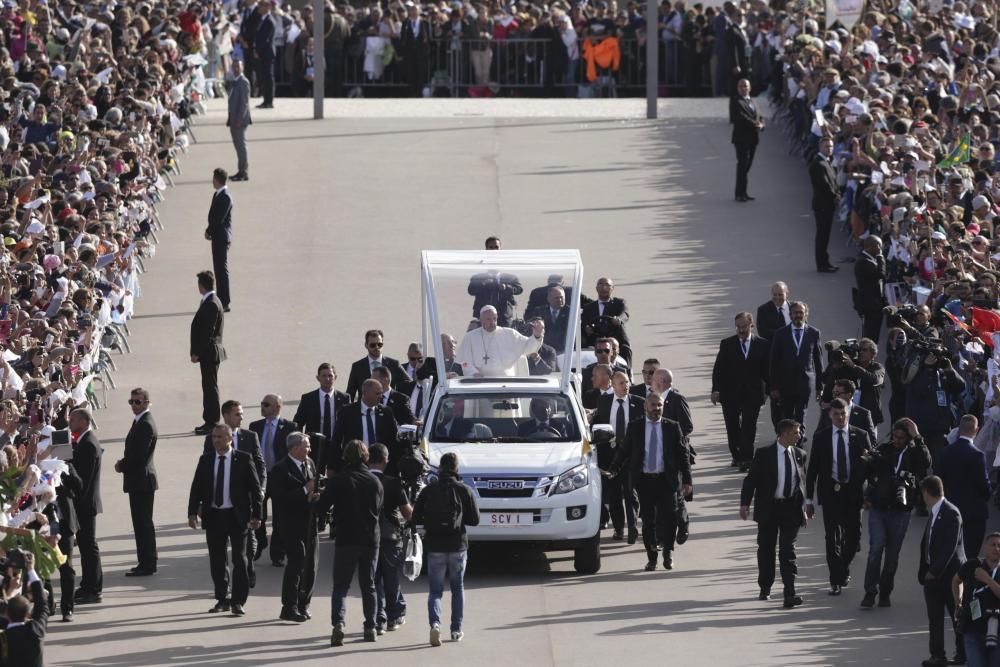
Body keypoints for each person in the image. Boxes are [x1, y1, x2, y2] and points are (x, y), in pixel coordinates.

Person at [187, 424, 263, 617]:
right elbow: (196, 486)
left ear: (230, 438)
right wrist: (192, 512)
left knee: (240, 559)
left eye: (220, 437)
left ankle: (238, 601)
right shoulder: (206, 460)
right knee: (217, 559)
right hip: (214, 515)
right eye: (214, 437)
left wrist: (257, 515)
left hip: (237, 516)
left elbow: (255, 490)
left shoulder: (244, 459)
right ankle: (222, 599)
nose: (216, 440)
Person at [611, 393, 692, 571]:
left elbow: (682, 455)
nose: (657, 409)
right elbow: (625, 450)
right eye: (653, 405)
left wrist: (687, 480)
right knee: (648, 521)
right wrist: (614, 468)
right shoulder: (635, 427)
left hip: (666, 480)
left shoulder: (672, 427)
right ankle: (652, 556)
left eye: (659, 406)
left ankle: (668, 552)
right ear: (645, 407)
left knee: (670, 518)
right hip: (645, 481)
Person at [318, 440, 384, 646]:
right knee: (369, 585)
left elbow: (322, 506)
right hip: (369, 538)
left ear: (345, 457)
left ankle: (339, 623)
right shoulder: (375, 482)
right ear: (366, 457)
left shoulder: (339, 480)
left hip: (346, 537)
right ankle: (370, 627)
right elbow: (378, 509)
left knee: (340, 586)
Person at [412, 451, 480, 646]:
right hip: (458, 545)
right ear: (457, 468)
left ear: (440, 468)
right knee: (457, 588)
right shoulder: (464, 490)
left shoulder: (428, 490)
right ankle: (456, 630)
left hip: (434, 546)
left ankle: (435, 624)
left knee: (435, 590)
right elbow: (474, 520)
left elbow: (415, 518)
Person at [739, 419, 809, 608]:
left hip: (791, 509)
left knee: (788, 551)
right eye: (796, 432)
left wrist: (804, 507)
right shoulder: (764, 454)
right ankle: (765, 586)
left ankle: (789, 593)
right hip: (769, 509)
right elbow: (751, 480)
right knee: (766, 549)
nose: (799, 435)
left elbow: (802, 484)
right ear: (784, 434)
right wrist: (745, 503)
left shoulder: (800, 455)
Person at [862, 418, 931, 608]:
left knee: (892, 556)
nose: (897, 440)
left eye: (902, 437)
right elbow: (867, 471)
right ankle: (869, 592)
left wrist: (918, 437)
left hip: (901, 511)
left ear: (908, 438)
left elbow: (926, 462)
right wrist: (867, 495)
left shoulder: (913, 454)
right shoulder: (883, 450)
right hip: (879, 508)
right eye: (895, 436)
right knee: (876, 549)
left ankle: (885, 592)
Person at [806, 399, 872, 596]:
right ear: (830, 415)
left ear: (848, 413)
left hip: (854, 494)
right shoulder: (822, 437)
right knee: (832, 537)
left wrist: (870, 494)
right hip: (831, 493)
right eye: (836, 414)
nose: (840, 417)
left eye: (843, 413)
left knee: (854, 537)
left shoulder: (861, 436)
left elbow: (870, 467)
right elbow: (812, 471)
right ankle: (835, 579)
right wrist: (808, 501)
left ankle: (842, 568)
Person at [203, 400, 266, 588]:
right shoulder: (212, 438)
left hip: (244, 499)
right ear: (226, 416)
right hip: (222, 501)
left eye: (241, 413)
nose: (242, 417)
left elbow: (260, 463)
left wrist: (261, 488)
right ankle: (225, 586)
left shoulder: (250, 436)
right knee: (223, 549)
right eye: (237, 414)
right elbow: (206, 468)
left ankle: (248, 571)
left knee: (247, 542)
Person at [270, 432, 320, 623]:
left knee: (311, 566)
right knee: (296, 565)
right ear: (295, 447)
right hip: (291, 525)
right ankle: (289, 606)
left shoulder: (310, 463)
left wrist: (316, 493)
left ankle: (303, 604)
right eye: (306, 445)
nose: (309, 449)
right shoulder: (280, 469)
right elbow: (280, 499)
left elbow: (314, 487)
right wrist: (305, 490)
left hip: (310, 523)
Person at [712, 311, 769, 471]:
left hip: (753, 393)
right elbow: (718, 369)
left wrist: (772, 389)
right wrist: (716, 390)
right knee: (732, 427)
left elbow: (767, 370)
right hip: (730, 393)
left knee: (749, 426)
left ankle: (746, 458)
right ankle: (736, 455)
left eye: (744, 326)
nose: (741, 330)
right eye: (738, 327)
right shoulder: (727, 344)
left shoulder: (762, 344)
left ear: (751, 325)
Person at [920, 475, 967, 667]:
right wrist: (925, 570)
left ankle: (962, 653)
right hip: (933, 576)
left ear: (926, 493)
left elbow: (949, 548)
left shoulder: (951, 513)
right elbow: (928, 543)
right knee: (935, 618)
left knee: (957, 615)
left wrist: (933, 571)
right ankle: (937, 655)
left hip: (951, 577)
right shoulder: (934, 512)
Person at [593, 370, 643, 543]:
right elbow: (598, 424)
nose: (626, 386)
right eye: (621, 383)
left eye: (627, 382)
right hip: (610, 456)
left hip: (631, 455)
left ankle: (632, 527)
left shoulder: (638, 403)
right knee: (614, 494)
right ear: (612, 386)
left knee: (631, 492)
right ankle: (619, 528)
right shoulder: (604, 402)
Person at [368, 442, 413, 635]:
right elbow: (408, 513)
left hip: (367, 536)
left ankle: (378, 619)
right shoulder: (393, 483)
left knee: (374, 578)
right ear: (386, 460)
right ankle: (393, 617)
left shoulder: (361, 480)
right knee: (391, 577)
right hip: (390, 535)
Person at [115, 387, 158, 577]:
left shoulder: (146, 424)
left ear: (147, 403)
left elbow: (139, 456)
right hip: (139, 480)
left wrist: (121, 465)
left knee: (143, 524)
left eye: (138, 402)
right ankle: (146, 560)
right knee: (141, 523)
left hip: (142, 480)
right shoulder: (139, 421)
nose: (134, 405)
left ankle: (148, 563)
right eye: (131, 402)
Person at [249, 394, 297, 565]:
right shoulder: (255, 426)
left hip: (279, 478)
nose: (262, 407)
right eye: (262, 404)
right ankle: (260, 541)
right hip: (260, 477)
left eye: (266, 404)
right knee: (257, 511)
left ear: (277, 407)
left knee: (279, 518)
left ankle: (277, 553)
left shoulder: (290, 427)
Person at [937, 415, 991, 561]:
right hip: (974, 513)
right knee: (969, 554)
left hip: (951, 509)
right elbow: (983, 485)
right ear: (977, 430)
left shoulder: (946, 452)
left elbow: (940, 480)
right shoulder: (977, 455)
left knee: (950, 552)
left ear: (959, 429)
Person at [768, 301, 823, 434]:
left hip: (805, 382)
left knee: (801, 414)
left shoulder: (814, 333)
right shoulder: (780, 334)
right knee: (786, 416)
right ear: (790, 314)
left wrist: (819, 387)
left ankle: (798, 444)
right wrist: (774, 386)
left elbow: (818, 360)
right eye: (795, 313)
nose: (798, 315)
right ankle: (788, 442)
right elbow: (774, 361)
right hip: (785, 383)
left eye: (801, 312)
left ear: (806, 314)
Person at [328, 379, 400, 475]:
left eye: (381, 393)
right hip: (355, 466)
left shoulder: (386, 412)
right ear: (365, 393)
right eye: (377, 393)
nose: (381, 396)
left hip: (380, 466)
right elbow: (336, 440)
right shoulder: (347, 412)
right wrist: (332, 467)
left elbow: (394, 439)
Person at [70, 408, 103, 605]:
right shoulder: (84, 441)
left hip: (85, 503)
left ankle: (94, 588)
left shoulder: (89, 444)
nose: (70, 423)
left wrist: (67, 470)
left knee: (89, 547)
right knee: (85, 546)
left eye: (73, 420)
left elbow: (83, 480)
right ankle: (87, 585)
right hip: (83, 502)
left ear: (83, 422)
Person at [456, 305, 545, 377]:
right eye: (488, 319)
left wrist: (537, 336)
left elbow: (528, 348)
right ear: (481, 320)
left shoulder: (509, 334)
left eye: (494, 319)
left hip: (506, 383)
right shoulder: (470, 337)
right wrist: (473, 374)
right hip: (481, 384)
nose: (492, 322)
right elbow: (464, 362)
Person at [953, 533, 1000, 667]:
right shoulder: (973, 564)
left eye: (999, 546)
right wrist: (958, 603)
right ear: (985, 547)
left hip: (996, 628)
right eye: (993, 545)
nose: (996, 549)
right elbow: (956, 581)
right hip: (973, 626)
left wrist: (987, 579)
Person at [191, 271, 227, 435]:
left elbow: (207, 331)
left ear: (201, 285)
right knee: (208, 386)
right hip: (209, 352)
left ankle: (212, 421)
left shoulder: (211, 303)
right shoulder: (212, 301)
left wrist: (197, 352)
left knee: (210, 387)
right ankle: (209, 420)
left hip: (209, 352)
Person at [0, 552, 47, 667]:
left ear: (7, 614)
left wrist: (10, 590)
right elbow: (42, 604)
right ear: (28, 614)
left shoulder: (3, 636)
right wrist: (31, 569)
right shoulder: (36, 630)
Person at [756, 282, 791, 430]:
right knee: (776, 399)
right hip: (774, 362)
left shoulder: (796, 308)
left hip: (792, 362)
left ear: (787, 294)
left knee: (793, 399)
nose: (777, 298)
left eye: (780, 295)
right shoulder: (764, 310)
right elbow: (763, 332)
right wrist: (785, 333)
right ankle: (780, 431)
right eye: (775, 295)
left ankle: (796, 432)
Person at [466, 237, 522, 327]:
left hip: (504, 317)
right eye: (491, 247)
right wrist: (484, 282)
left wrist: (506, 287)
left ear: (500, 249)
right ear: (486, 249)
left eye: (496, 247)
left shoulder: (509, 277)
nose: (494, 250)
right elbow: (471, 290)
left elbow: (519, 289)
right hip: (484, 316)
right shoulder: (479, 277)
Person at [345, 329, 412, 400]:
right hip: (366, 409)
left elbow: (409, 385)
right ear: (366, 345)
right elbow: (350, 393)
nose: (376, 347)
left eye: (379, 344)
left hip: (389, 409)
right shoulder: (357, 367)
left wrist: (398, 400)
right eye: (373, 345)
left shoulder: (393, 364)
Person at [294, 362, 350, 444]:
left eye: (330, 376)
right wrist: (300, 442)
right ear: (318, 378)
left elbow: (349, 423)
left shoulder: (344, 398)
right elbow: (298, 423)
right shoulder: (308, 399)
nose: (327, 379)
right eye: (324, 376)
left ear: (335, 377)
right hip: (313, 445)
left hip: (337, 445)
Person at [810, 136, 840, 273]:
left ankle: (825, 261)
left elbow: (833, 182)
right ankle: (822, 264)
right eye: (826, 146)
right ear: (820, 147)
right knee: (822, 235)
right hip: (823, 205)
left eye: (831, 146)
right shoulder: (818, 163)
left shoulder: (826, 162)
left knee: (825, 234)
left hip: (827, 205)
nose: (829, 149)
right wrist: (835, 196)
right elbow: (824, 185)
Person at [205, 168, 233, 313]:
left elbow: (219, 219)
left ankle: (225, 300)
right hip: (217, 235)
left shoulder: (226, 197)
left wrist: (209, 230)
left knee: (222, 269)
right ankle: (221, 298)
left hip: (221, 236)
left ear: (217, 180)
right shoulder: (218, 194)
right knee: (218, 268)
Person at [581, 277, 631, 359]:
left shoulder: (618, 303)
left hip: (614, 336)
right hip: (594, 338)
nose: (604, 287)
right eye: (601, 284)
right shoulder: (589, 307)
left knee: (625, 346)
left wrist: (618, 320)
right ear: (596, 288)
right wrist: (586, 327)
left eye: (607, 285)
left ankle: (627, 368)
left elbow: (625, 314)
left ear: (612, 288)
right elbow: (584, 321)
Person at [731, 78, 763, 202]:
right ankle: (739, 193)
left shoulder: (753, 102)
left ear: (750, 88)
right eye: (741, 86)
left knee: (747, 166)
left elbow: (759, 116)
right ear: (737, 88)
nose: (743, 88)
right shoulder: (736, 101)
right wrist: (756, 125)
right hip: (741, 138)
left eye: (745, 86)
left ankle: (743, 191)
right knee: (742, 165)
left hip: (753, 138)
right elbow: (740, 117)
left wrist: (762, 124)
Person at [854, 236, 886, 343]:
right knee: (870, 333)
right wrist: (881, 256)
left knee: (874, 332)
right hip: (870, 304)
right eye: (879, 246)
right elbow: (881, 274)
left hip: (874, 302)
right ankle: (868, 353)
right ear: (872, 246)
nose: (880, 249)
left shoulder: (868, 259)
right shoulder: (863, 261)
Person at [227, 59, 252, 181]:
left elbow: (244, 104)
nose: (236, 69)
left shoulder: (243, 82)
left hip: (239, 120)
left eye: (238, 66)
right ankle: (241, 170)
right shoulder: (235, 82)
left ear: (242, 68)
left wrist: (239, 119)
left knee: (241, 146)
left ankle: (243, 172)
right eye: (234, 67)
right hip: (233, 119)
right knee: (238, 146)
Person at [526, 285, 570, 354]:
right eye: (556, 298)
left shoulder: (570, 312)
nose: (560, 300)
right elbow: (532, 329)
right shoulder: (539, 311)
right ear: (549, 299)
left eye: (562, 298)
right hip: (544, 351)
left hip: (564, 351)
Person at [399, 2, 430, 97]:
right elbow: (402, 37)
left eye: (415, 10)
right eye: (411, 10)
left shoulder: (424, 23)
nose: (413, 12)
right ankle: (411, 92)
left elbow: (428, 38)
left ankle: (419, 92)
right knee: (410, 72)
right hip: (409, 52)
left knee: (420, 72)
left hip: (421, 52)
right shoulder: (406, 23)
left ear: (419, 11)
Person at [254, 0, 276, 108]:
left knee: (268, 76)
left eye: (261, 6)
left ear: (267, 7)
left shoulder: (270, 21)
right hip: (263, 52)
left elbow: (265, 39)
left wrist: (257, 50)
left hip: (267, 52)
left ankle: (269, 101)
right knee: (264, 76)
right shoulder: (262, 19)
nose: (259, 8)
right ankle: (265, 100)